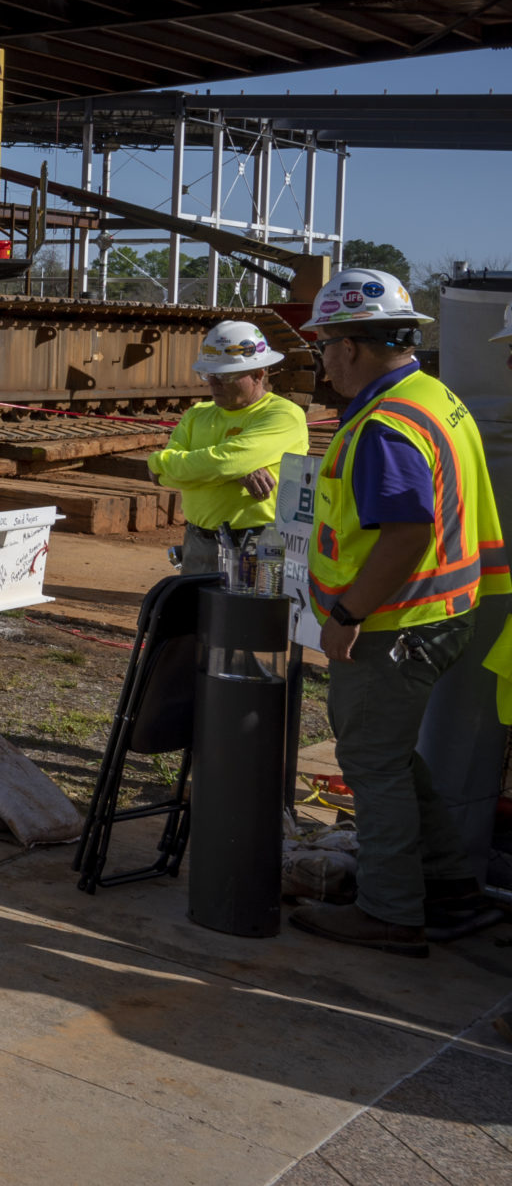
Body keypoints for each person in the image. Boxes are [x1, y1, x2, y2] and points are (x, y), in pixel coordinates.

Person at [287, 267, 508, 956]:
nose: (323, 362)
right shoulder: (434, 396)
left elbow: (407, 532)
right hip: (441, 614)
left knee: (371, 762)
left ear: (352, 346)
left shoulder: (386, 426)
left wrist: (346, 613)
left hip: (392, 623)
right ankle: (448, 884)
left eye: (324, 346)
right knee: (392, 757)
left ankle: (390, 909)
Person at [147, 319, 312, 575]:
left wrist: (162, 464)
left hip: (258, 545)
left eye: (224, 376)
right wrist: (238, 471)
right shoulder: (197, 414)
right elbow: (171, 473)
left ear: (259, 374)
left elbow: (223, 463)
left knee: (250, 615)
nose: (213, 383)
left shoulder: (283, 415)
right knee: (198, 614)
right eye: (208, 374)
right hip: (198, 542)